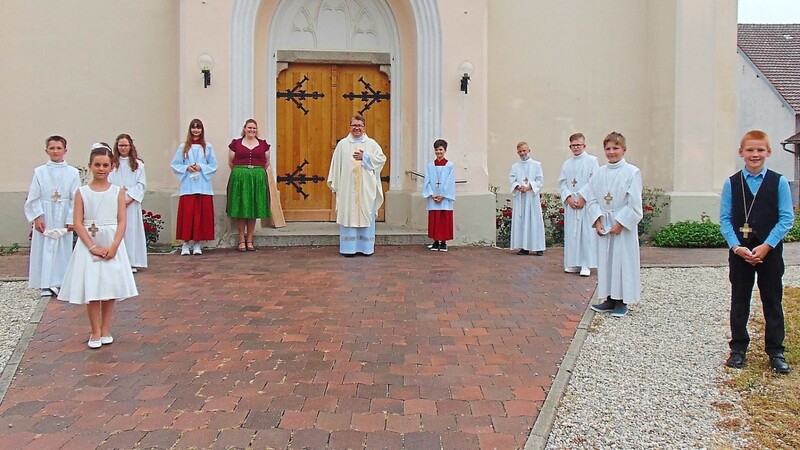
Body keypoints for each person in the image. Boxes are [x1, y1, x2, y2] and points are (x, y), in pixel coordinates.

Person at [720, 130, 793, 374]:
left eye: (760, 150)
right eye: (750, 150)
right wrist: (737, 247)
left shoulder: (779, 181)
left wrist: (766, 246)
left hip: (769, 252)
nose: (755, 154)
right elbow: (725, 220)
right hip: (740, 252)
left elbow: (786, 219)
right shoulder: (732, 183)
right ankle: (738, 348)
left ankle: (776, 351)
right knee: (740, 300)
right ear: (741, 152)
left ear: (768, 152)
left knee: (772, 300)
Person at [57, 144, 138, 349]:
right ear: (90, 166)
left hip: (111, 241)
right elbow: (77, 222)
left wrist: (115, 246)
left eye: (105, 165)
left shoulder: (117, 192)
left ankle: (105, 328)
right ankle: (94, 330)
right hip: (89, 244)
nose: (101, 169)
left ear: (112, 167)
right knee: (92, 287)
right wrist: (92, 247)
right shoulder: (81, 192)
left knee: (109, 287)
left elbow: (121, 221)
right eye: (97, 165)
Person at [586, 132, 642, 318]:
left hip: (621, 224)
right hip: (604, 220)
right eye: (608, 148)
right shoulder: (599, 173)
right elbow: (592, 198)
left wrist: (621, 223)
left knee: (622, 260)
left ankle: (622, 300)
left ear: (624, 150)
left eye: (616, 148)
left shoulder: (632, 172)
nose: (612, 152)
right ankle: (609, 298)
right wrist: (597, 219)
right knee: (606, 261)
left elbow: (634, 203)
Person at [24, 135, 81, 297]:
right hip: (46, 213)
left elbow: (76, 197)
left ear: (65, 150)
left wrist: (72, 219)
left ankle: (60, 281)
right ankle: (44, 283)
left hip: (63, 214)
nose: (56, 151)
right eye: (52, 148)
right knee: (44, 247)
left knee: (62, 248)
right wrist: (37, 217)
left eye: (59, 148)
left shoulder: (73, 173)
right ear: (46, 150)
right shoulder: (40, 172)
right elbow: (33, 196)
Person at [327, 114, 386, 256]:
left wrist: (365, 157)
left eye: (359, 125)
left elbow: (381, 159)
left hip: (366, 189)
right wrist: (337, 184)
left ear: (364, 128)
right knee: (348, 213)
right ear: (350, 127)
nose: (357, 128)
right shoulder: (342, 144)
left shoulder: (371, 144)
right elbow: (335, 166)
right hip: (347, 188)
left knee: (366, 214)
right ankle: (348, 248)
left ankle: (366, 248)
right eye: (354, 125)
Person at [171, 119, 218, 255]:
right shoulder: (183, 147)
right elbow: (175, 164)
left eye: (198, 128)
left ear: (202, 130)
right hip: (188, 186)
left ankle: (197, 243)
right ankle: (186, 243)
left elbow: (213, 165)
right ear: (190, 130)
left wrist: (201, 167)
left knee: (200, 215)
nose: (196, 130)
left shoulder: (208, 147)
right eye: (193, 128)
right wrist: (187, 167)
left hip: (203, 186)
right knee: (187, 215)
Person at [558, 132, 599, 276]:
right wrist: (568, 197)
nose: (576, 148)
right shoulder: (567, 163)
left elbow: (594, 181)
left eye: (578, 145)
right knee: (572, 234)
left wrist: (583, 197)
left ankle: (586, 264)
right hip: (572, 204)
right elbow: (562, 183)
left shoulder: (592, 161)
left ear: (584, 145)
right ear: (570, 146)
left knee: (586, 234)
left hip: (585, 204)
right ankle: (573, 263)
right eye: (573, 145)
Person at [227, 118, 270, 252]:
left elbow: (267, 162)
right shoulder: (236, 143)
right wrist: (242, 172)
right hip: (240, 177)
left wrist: (256, 173)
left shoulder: (263, 144)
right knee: (241, 208)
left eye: (254, 128)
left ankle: (250, 239)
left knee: (253, 209)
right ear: (244, 129)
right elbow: (231, 161)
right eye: (249, 128)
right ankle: (241, 239)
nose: (251, 130)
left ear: (256, 130)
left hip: (257, 177)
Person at [109, 134, 147, 272]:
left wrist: (130, 198)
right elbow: (108, 182)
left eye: (125, 145)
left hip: (131, 202)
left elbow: (141, 185)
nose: (123, 148)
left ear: (130, 146)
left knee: (131, 230)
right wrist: (118, 198)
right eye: (120, 145)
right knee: (117, 230)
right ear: (116, 147)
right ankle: (117, 259)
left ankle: (131, 261)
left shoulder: (138, 165)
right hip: (116, 201)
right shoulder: (112, 164)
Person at [508, 141, 545, 255]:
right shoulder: (515, 166)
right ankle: (524, 247)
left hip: (531, 198)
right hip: (521, 198)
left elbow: (540, 180)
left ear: (529, 150)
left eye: (524, 150)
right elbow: (512, 180)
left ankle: (538, 247)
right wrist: (518, 187)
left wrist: (529, 187)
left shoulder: (536, 165)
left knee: (534, 221)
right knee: (522, 222)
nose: (522, 153)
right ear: (517, 152)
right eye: (520, 151)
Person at [422, 139, 456, 251]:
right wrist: (431, 194)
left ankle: (444, 242)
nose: (438, 152)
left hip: (444, 197)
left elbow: (450, 182)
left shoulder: (450, 165)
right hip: (433, 196)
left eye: (440, 149)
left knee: (444, 218)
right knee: (434, 218)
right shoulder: (430, 165)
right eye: (436, 150)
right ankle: (436, 241)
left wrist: (443, 195)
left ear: (445, 150)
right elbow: (427, 180)